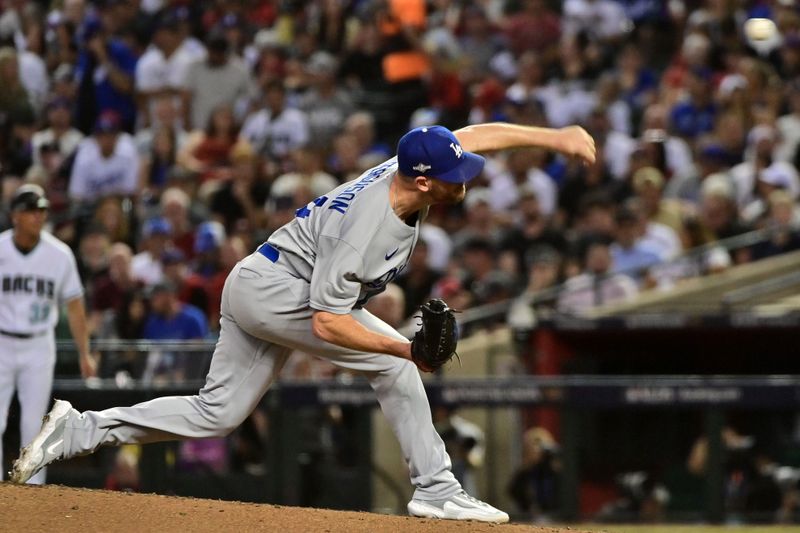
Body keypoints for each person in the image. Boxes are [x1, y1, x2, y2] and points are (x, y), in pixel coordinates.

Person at [11, 122, 595, 523]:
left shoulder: (408, 163)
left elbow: (471, 136)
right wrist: (406, 354)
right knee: (394, 365)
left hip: (260, 280)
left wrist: (554, 138)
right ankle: (437, 490)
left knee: (219, 413)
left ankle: (80, 429)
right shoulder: (369, 227)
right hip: (277, 290)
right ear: (424, 181)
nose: (464, 179)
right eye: (454, 175)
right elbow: (327, 325)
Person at [1, 184, 95, 484]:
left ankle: (32, 491)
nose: (38, 216)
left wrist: (84, 353)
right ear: (15, 215)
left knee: (34, 424)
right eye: (31, 210)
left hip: (40, 345)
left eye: (41, 210)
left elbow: (76, 307)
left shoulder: (59, 254)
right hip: (1, 342)